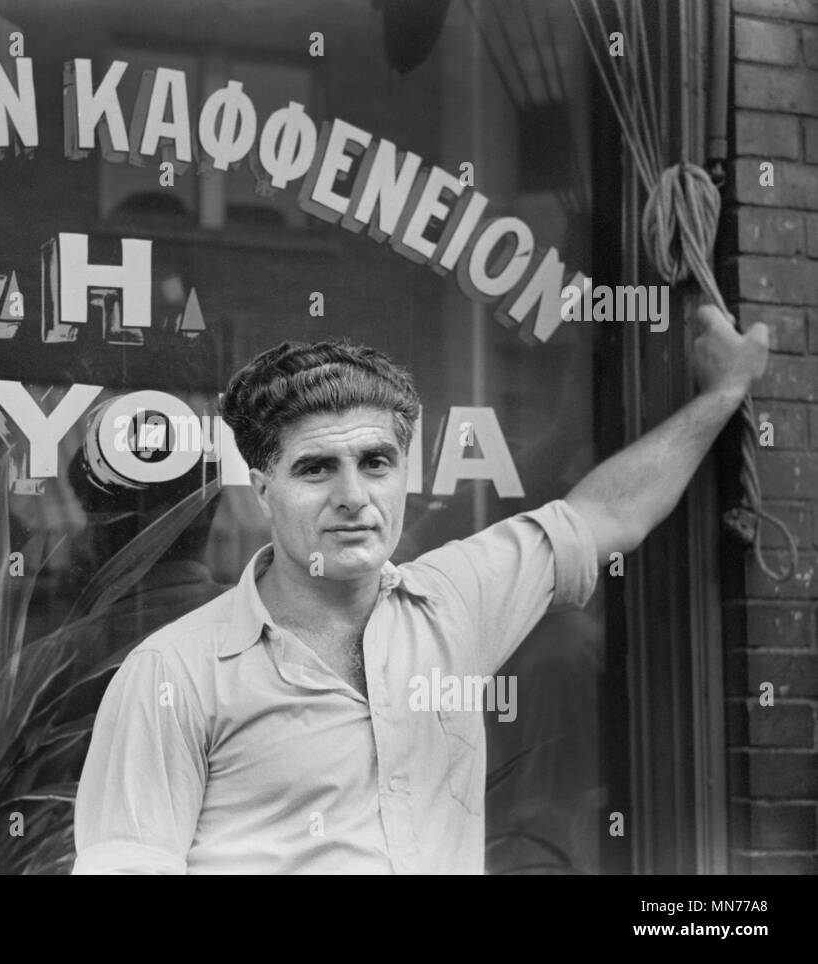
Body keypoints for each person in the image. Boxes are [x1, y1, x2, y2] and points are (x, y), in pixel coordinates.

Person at [71, 305, 770, 874]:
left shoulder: (455, 604)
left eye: (376, 462)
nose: (354, 497)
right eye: (316, 470)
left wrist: (725, 394)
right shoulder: (173, 675)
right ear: (262, 492)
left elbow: (608, 514)